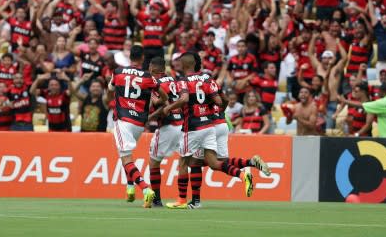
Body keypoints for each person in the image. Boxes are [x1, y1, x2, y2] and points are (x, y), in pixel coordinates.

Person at [156, 53, 270, 210]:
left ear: (185, 65)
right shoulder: (207, 79)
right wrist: (218, 114)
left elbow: (184, 99)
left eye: (180, 63)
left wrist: (169, 107)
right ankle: (244, 173)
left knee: (184, 162)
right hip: (212, 125)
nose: (178, 66)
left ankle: (183, 200)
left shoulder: (182, 80)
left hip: (193, 127)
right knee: (215, 163)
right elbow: (221, 100)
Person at [108, 45, 167, 208]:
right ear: (142, 58)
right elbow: (163, 95)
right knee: (126, 154)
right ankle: (130, 188)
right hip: (139, 123)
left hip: (123, 119)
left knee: (125, 156)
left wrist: (113, 100)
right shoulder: (148, 77)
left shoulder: (118, 72)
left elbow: (110, 88)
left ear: (130, 58)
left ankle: (145, 188)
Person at [147, 57, 183, 207]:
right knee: (191, 162)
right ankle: (190, 199)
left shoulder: (156, 84)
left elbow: (160, 102)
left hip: (168, 127)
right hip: (183, 125)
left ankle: (156, 199)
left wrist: (150, 117)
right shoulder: (175, 81)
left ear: (153, 69)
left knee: (154, 163)